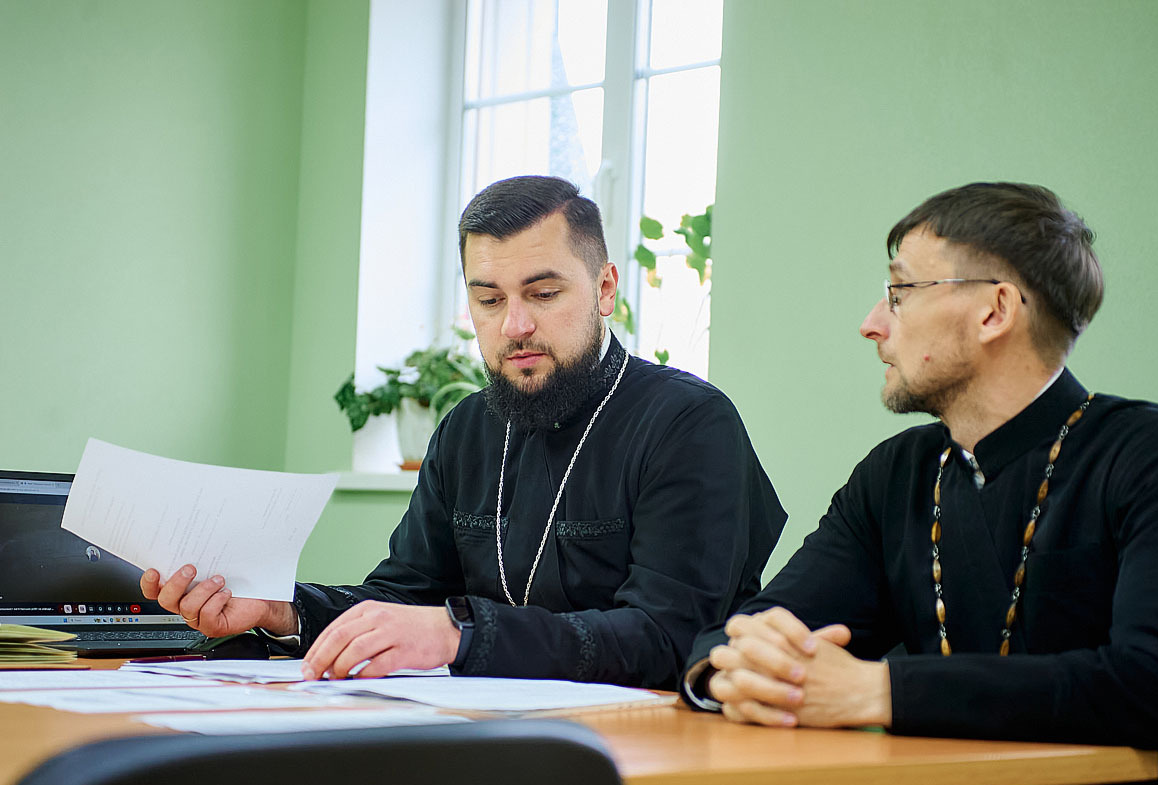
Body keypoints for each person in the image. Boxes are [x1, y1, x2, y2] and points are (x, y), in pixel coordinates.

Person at [142, 175, 785, 688]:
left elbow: (669, 638)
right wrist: (279, 611)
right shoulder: (466, 428)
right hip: (481, 739)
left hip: (646, 750)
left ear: (605, 289)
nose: (514, 326)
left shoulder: (688, 424)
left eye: (543, 294)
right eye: (489, 299)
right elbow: (401, 597)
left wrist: (461, 633)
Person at [682, 182, 1158, 785]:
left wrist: (876, 691)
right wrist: (735, 670)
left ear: (994, 312)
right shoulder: (896, 473)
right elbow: (748, 629)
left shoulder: (1157, 457)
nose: (871, 325)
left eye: (899, 293)